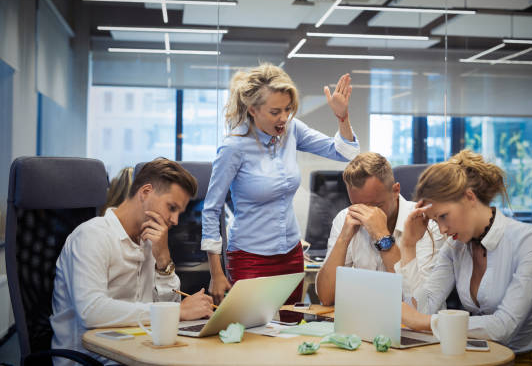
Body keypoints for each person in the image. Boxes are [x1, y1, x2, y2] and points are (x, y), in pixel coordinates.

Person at [201, 63, 360, 304]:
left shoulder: (291, 130)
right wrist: (216, 273)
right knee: (254, 334)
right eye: (275, 112)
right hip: (249, 257)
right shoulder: (233, 147)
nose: (284, 118)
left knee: (290, 329)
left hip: (291, 255)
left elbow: (344, 152)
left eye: (288, 109)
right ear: (253, 110)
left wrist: (342, 117)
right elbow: (211, 210)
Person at [51, 158, 214, 365]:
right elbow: (91, 312)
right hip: (89, 359)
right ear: (145, 192)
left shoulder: (149, 241)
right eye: (171, 207)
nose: (175, 220)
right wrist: (178, 312)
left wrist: (164, 261)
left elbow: (165, 312)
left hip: (137, 353)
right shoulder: (92, 236)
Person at [400, 150, 532, 365]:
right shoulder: (455, 246)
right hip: (473, 356)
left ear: (469, 197)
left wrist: (425, 321)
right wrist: (408, 246)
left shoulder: (529, 242)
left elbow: (504, 327)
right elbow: (422, 308)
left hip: (524, 360)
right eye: (435, 221)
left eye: (443, 216)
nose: (442, 229)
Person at [316, 152, 444, 306]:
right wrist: (343, 239)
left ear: (396, 190)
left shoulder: (426, 223)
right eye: (359, 206)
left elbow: (420, 303)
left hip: (413, 326)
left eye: (376, 206)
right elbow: (326, 297)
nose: (368, 216)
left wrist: (382, 236)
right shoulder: (345, 218)